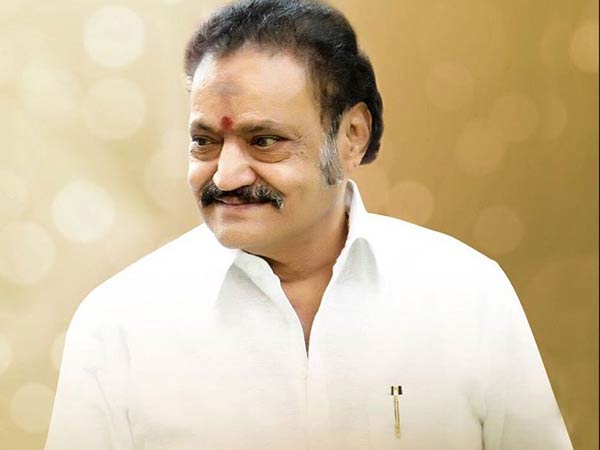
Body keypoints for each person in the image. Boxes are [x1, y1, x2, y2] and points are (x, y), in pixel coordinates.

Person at [45, 1, 574, 449]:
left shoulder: (466, 294)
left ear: (351, 137)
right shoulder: (118, 324)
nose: (225, 175)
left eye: (264, 141)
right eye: (204, 142)